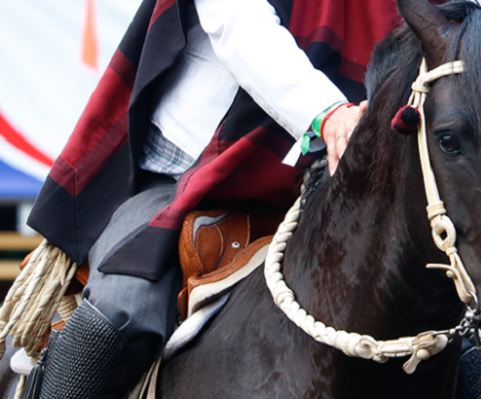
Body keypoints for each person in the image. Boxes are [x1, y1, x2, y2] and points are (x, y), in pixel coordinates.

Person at [20, 0, 400, 397]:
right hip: (185, 178)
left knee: (450, 334)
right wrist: (329, 114)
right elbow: (239, 22)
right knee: (119, 313)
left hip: (352, 193)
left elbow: (452, 36)